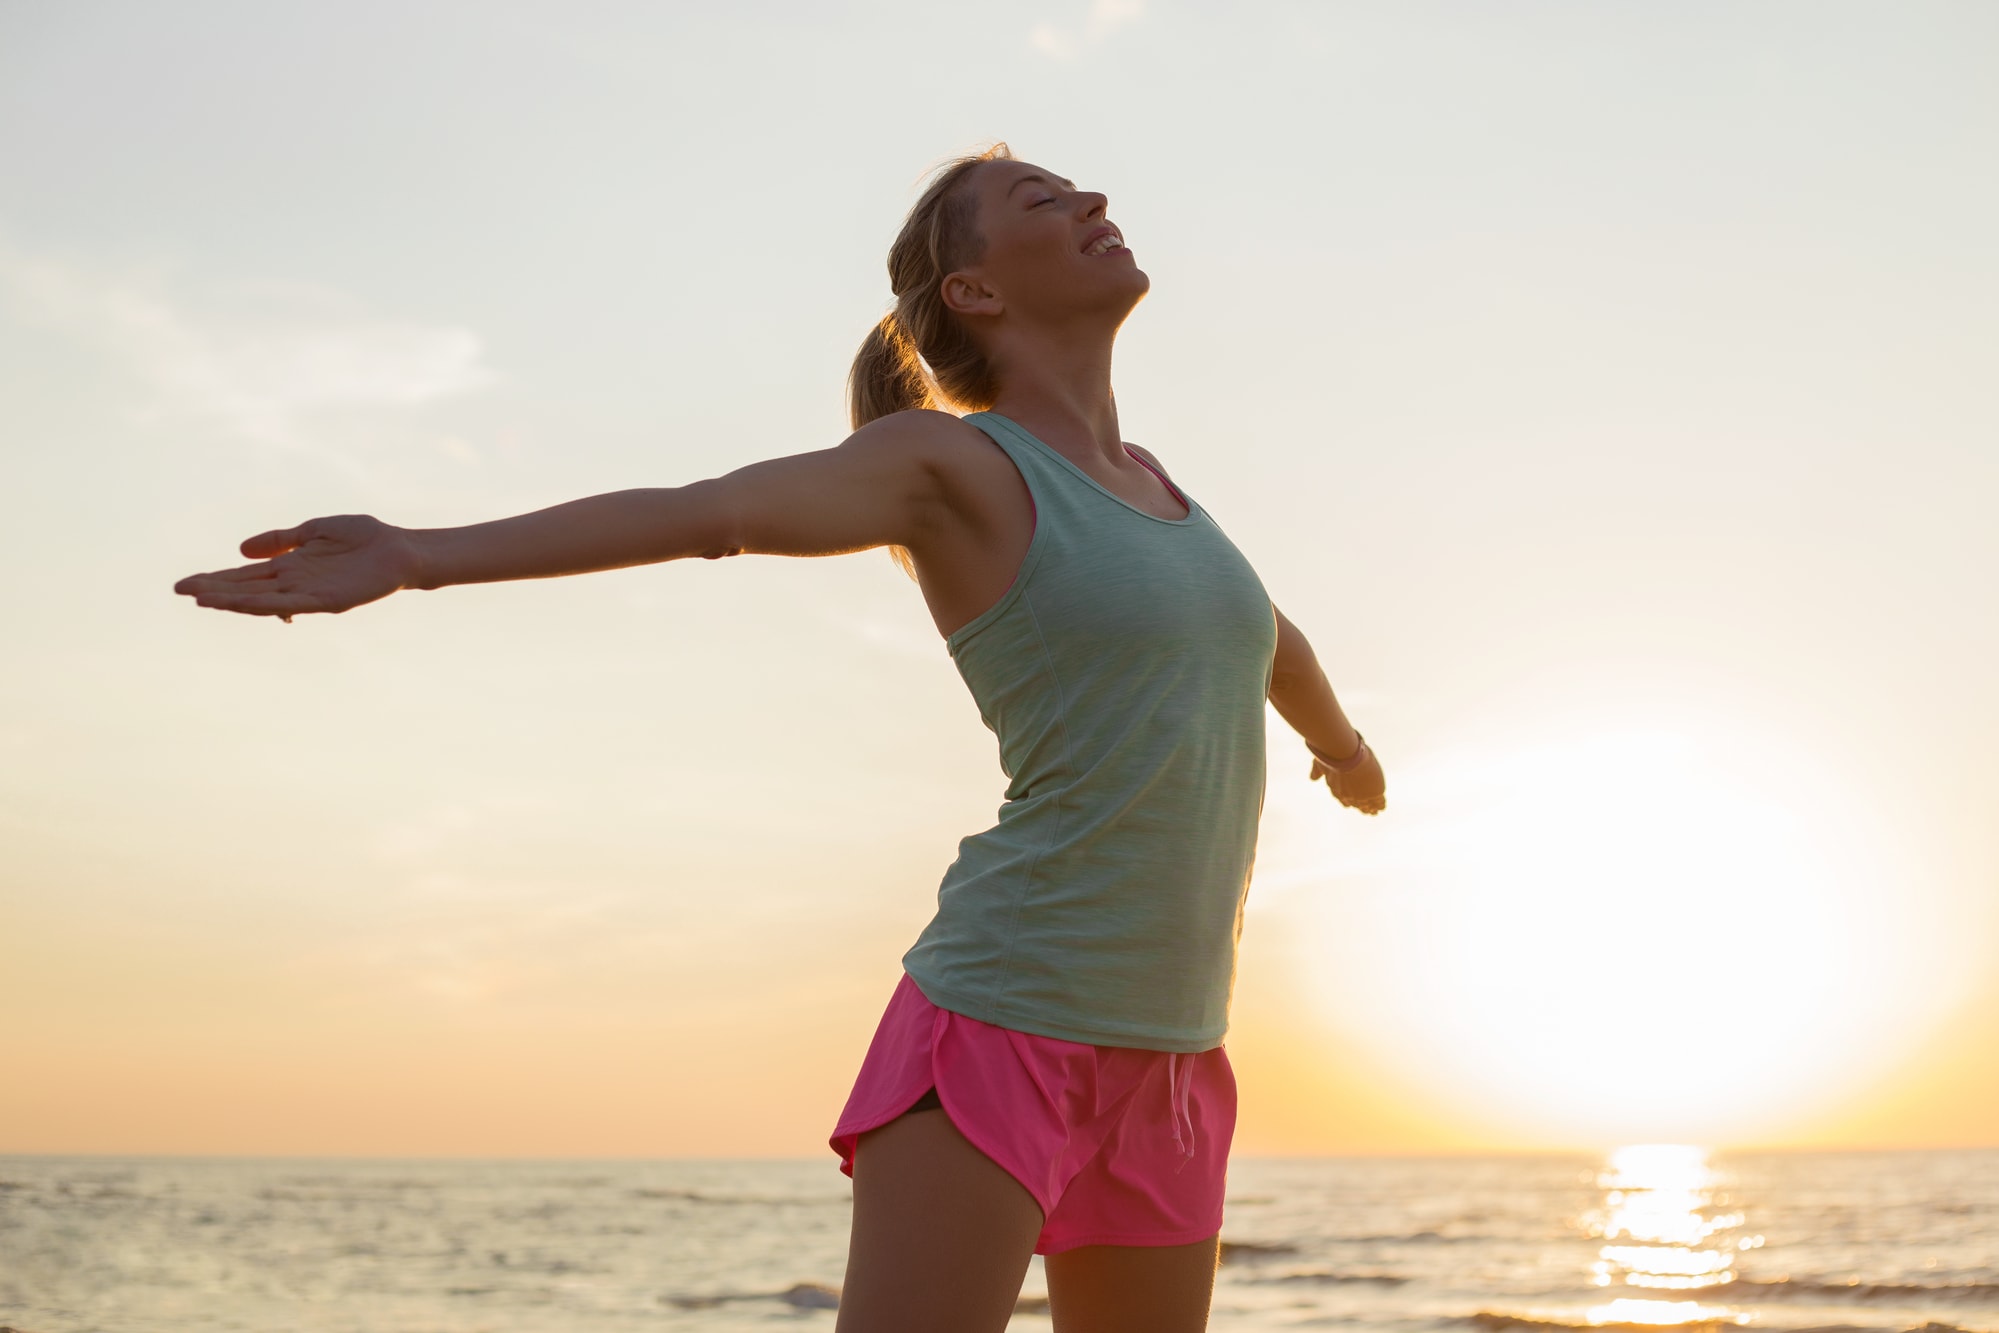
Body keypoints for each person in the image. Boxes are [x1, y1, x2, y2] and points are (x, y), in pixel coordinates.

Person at [174, 143, 1386, 1332]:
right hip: (1007, 1020)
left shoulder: (1156, 485)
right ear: (974, 290)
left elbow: (1264, 638)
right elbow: (708, 514)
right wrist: (420, 556)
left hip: (1173, 1054)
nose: (1094, 198)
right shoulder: (945, 461)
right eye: (1042, 197)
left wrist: (1341, 749)